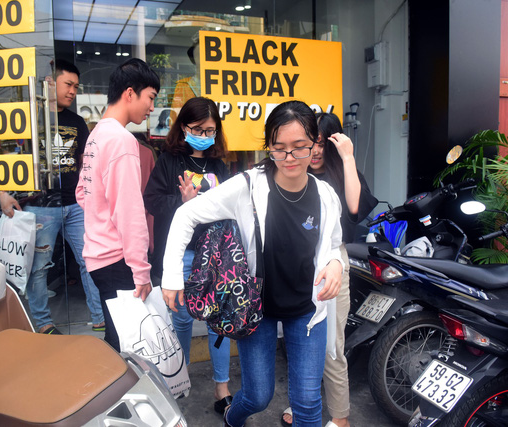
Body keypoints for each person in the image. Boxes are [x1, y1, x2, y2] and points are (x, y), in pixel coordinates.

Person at [162, 100, 344, 426]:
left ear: (315, 144)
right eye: (279, 148)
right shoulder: (248, 186)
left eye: (300, 148)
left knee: (307, 402)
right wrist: (172, 274)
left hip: (307, 311)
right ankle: (234, 417)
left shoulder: (326, 195)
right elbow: (185, 214)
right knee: (258, 395)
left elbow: (332, 244)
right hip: (255, 310)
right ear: (269, 146)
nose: (289, 158)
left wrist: (335, 265)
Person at [281, 112, 378, 427]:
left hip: (333, 263)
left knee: (331, 346)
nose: (318, 150)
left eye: (323, 143)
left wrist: (348, 157)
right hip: (297, 265)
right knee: (299, 339)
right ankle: (303, 400)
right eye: (313, 143)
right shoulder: (296, 174)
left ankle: (340, 416)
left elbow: (354, 207)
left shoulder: (341, 174)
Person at [0, 59, 104, 335]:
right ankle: (44, 323)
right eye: (68, 84)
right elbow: (6, 160)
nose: (73, 91)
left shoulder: (78, 122)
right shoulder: (29, 118)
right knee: (39, 268)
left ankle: (100, 316)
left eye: (76, 87)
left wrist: (91, 196)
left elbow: (86, 163)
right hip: (39, 207)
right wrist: (2, 193)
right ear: (50, 83)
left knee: (90, 260)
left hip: (75, 204)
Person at [143, 96, 233, 415]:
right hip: (181, 255)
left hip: (215, 256)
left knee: (216, 322)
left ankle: (222, 388)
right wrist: (182, 204)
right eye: (198, 129)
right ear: (184, 127)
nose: (205, 136)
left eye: (210, 130)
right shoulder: (169, 161)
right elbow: (151, 200)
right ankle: (177, 382)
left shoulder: (221, 165)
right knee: (180, 321)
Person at [75, 58, 160, 351]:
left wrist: (100, 214)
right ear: (129, 93)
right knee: (130, 347)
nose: (152, 107)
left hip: (99, 257)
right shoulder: (123, 140)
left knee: (118, 340)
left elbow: (82, 193)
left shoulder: (96, 134)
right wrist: (141, 270)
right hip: (118, 259)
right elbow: (130, 212)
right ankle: (113, 397)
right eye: (150, 97)